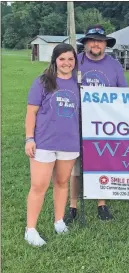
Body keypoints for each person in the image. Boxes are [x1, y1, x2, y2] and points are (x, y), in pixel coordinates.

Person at [65, 24, 128, 223]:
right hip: (76, 121)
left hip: (103, 124)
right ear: (86, 43)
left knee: (101, 164)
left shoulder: (114, 65)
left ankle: (102, 204)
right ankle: (73, 206)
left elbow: (123, 94)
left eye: (99, 41)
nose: (96, 44)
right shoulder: (75, 62)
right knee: (75, 168)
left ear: (105, 44)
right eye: (92, 40)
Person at [24, 43, 80, 246]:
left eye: (71, 59)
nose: (67, 63)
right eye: (62, 59)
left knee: (62, 182)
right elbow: (31, 112)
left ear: (75, 61)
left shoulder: (78, 85)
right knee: (39, 186)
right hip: (44, 143)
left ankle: (59, 221)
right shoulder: (43, 82)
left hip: (69, 143)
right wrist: (29, 138)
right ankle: (30, 229)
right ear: (55, 60)